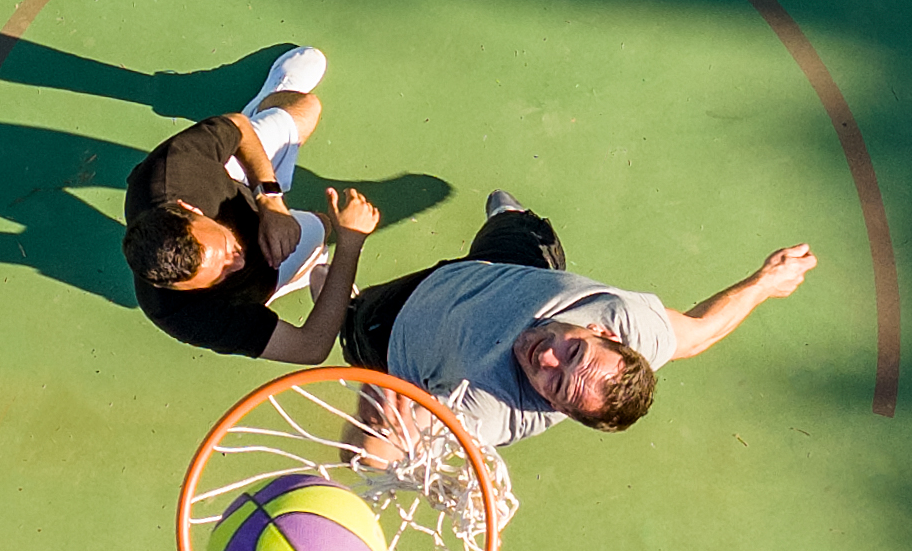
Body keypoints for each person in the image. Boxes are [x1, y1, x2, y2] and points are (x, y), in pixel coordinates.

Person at [341, 190, 816, 449]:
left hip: (408, 317)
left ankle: (331, 291)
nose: (544, 356)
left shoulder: (490, 412)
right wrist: (763, 285)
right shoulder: (632, 321)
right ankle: (509, 217)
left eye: (557, 384)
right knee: (525, 226)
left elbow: (371, 457)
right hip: (512, 271)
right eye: (573, 352)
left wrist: (377, 421)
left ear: (557, 409)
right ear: (605, 332)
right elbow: (698, 334)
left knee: (348, 319)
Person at [122, 47, 380, 361]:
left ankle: (272, 98)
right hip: (256, 280)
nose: (239, 262)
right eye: (219, 276)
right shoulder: (186, 316)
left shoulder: (174, 167)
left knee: (306, 107)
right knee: (321, 232)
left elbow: (238, 126)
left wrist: (270, 199)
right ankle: (279, 284)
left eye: (228, 247)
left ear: (188, 208)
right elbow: (310, 348)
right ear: (180, 289)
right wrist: (350, 244)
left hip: (235, 181)